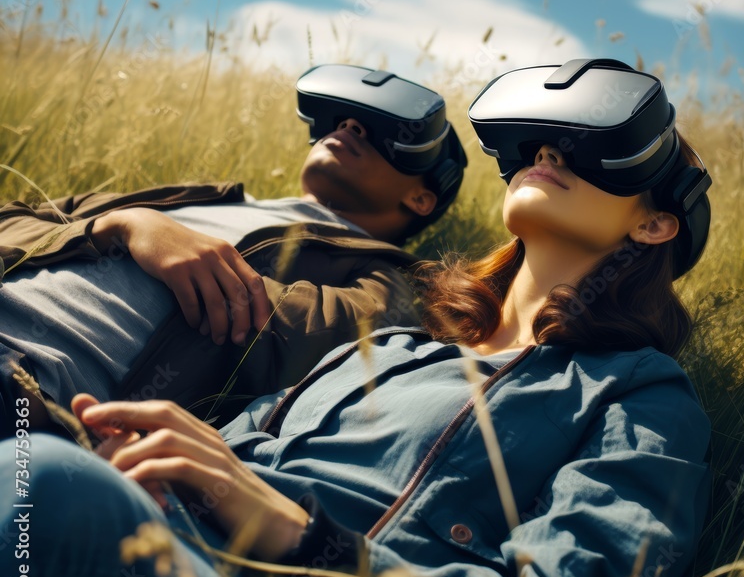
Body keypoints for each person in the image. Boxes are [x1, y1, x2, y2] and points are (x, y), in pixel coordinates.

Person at [0, 59, 713, 577]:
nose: (549, 152)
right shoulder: (393, 349)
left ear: (653, 225)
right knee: (41, 471)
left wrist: (303, 537)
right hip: (168, 541)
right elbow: (230, 456)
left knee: (44, 488)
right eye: (542, 144)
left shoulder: (640, 393)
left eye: (598, 154)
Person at [0, 64, 467, 430]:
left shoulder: (390, 276)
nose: (349, 125)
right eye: (341, 118)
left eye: (384, 133)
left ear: (420, 198)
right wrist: (123, 223)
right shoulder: (205, 196)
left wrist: (215, 273)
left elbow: (318, 343)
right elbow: (12, 218)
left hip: (32, 385)